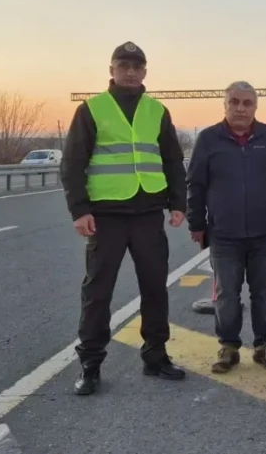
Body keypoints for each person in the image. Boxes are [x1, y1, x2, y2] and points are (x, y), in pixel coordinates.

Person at [60, 41, 189, 396]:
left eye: (137, 66)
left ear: (145, 71)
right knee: (98, 292)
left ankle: (156, 356)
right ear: (112, 70)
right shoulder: (92, 109)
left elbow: (173, 160)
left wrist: (179, 202)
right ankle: (90, 364)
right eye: (123, 65)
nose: (130, 71)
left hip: (148, 213)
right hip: (106, 216)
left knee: (154, 288)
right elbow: (72, 163)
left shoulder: (156, 111)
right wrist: (80, 210)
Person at [187, 81, 266, 374]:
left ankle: (264, 345)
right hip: (224, 235)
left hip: (265, 233)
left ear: (255, 107)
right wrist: (196, 223)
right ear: (224, 105)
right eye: (234, 102)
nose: (240, 108)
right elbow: (195, 184)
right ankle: (229, 347)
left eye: (247, 103)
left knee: (263, 293)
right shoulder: (208, 139)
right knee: (226, 295)